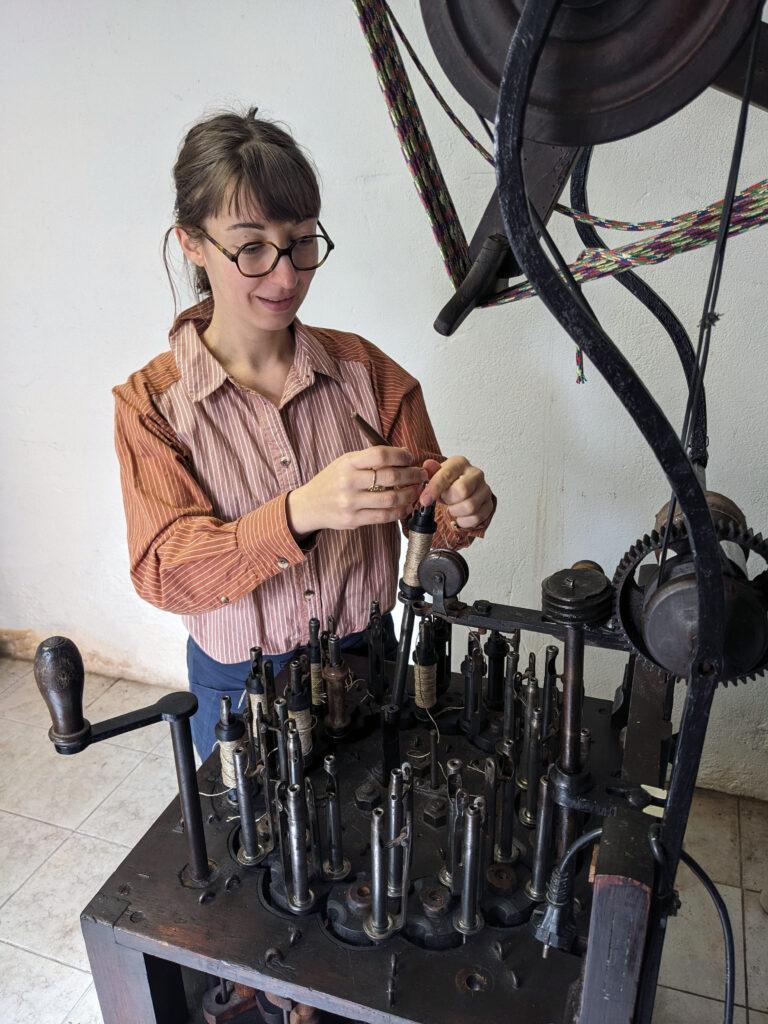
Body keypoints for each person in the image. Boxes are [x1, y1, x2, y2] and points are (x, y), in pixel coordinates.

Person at [113, 108, 496, 759]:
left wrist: (462, 507)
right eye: (252, 246)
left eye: (302, 241)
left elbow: (428, 513)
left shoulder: (368, 374)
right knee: (253, 845)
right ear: (192, 243)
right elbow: (162, 571)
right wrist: (299, 511)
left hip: (369, 658)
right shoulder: (152, 405)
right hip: (239, 684)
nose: (286, 275)